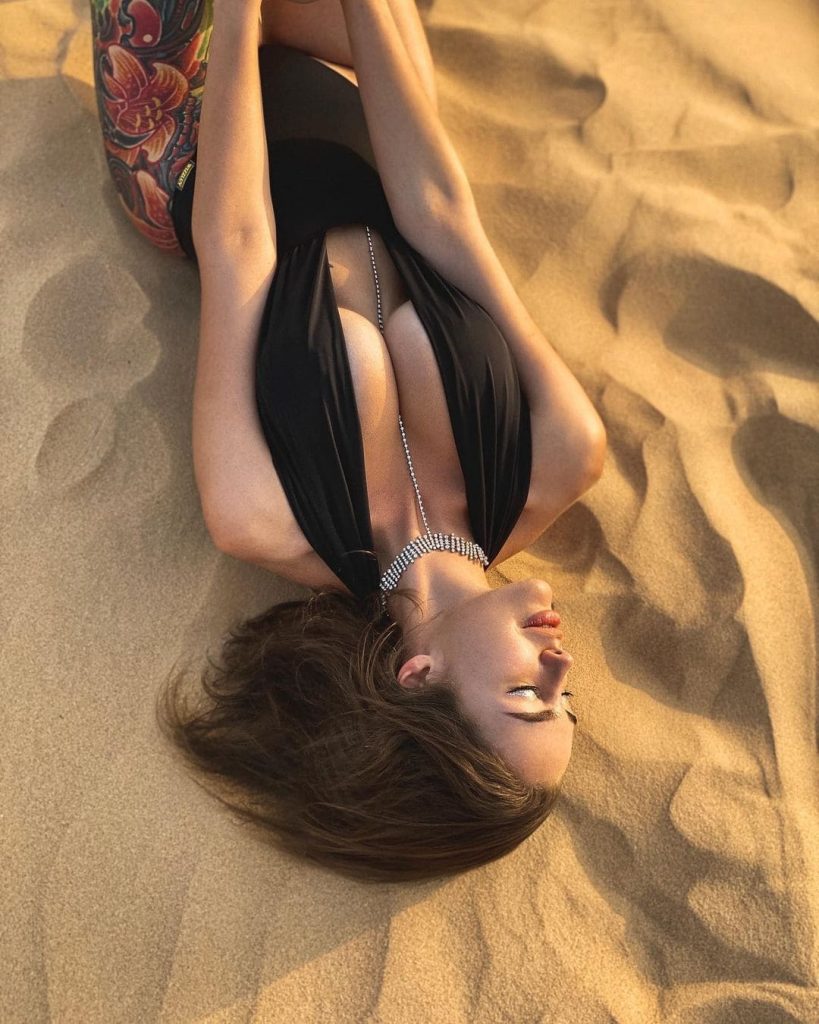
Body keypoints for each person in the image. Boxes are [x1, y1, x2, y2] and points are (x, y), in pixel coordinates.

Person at [90, 0, 607, 882]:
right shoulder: (559, 457)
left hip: (190, 140)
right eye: (570, 703)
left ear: (419, 674)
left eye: (528, 695)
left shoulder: (261, 519)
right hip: (368, 138)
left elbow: (236, 245)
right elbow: (444, 219)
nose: (560, 666)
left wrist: (235, 13)